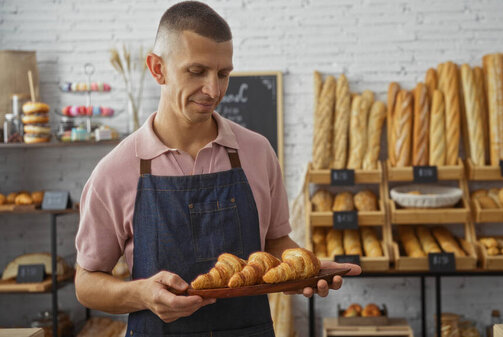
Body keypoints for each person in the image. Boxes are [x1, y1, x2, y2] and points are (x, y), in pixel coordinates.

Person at [74, 1, 361, 336]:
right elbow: (86, 283)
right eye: (197, 72)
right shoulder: (116, 171)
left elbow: (276, 242)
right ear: (157, 68)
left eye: (223, 73)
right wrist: (141, 294)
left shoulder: (257, 152)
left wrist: (301, 268)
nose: (214, 90)